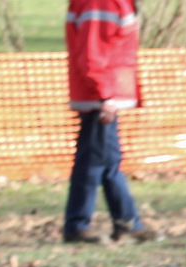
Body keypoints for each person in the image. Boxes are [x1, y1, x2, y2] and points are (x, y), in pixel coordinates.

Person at [62, 0, 160, 245]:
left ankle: (127, 222)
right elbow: (92, 52)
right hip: (101, 98)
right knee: (93, 164)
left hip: (103, 96)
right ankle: (78, 225)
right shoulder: (102, 3)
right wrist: (105, 95)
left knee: (107, 163)